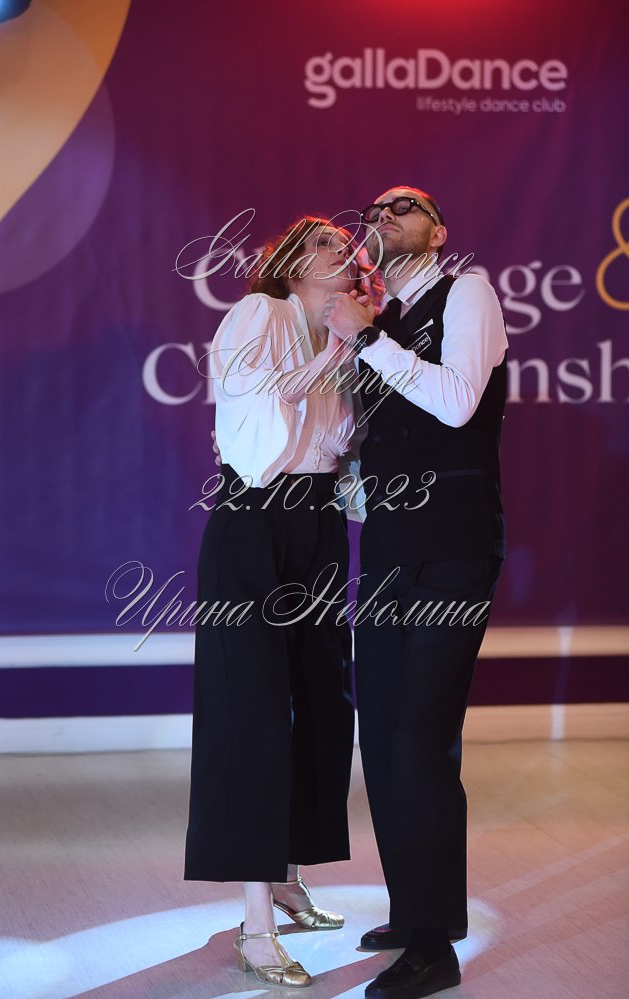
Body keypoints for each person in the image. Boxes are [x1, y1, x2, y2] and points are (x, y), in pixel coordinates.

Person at [184, 216, 380, 988]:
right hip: (254, 523)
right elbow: (258, 408)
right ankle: (255, 920)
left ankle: (289, 874)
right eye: (330, 245)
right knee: (255, 715)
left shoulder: (344, 337)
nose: (348, 255)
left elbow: (340, 449)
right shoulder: (257, 313)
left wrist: (353, 350)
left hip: (319, 524)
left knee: (321, 706)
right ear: (293, 262)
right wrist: (338, 346)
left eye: (351, 250)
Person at [323, 186, 508, 999]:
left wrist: (369, 339)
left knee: (420, 738)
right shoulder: (381, 317)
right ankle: (416, 909)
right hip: (390, 550)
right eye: (376, 208)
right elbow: (374, 441)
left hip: (454, 547)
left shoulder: (467, 292)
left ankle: (434, 947)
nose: (385, 213)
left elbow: (459, 403)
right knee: (382, 733)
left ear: (438, 231)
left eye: (405, 205)